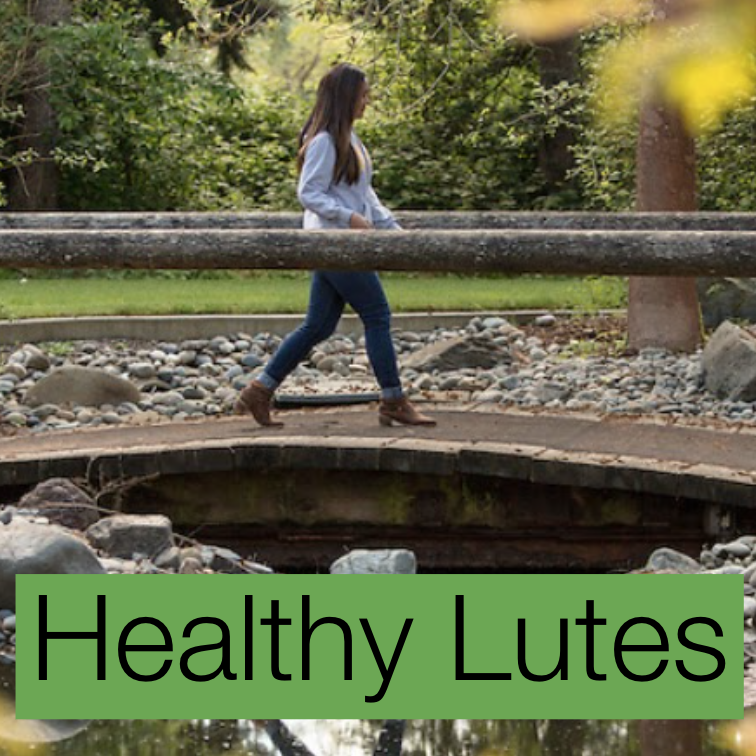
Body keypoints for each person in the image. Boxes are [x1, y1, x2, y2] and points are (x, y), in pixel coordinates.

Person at [235, 62, 435, 429]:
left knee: (318, 325)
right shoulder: (325, 141)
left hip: (341, 243)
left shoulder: (351, 140)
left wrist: (394, 231)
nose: (367, 101)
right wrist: (348, 219)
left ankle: (260, 390)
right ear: (346, 98)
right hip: (334, 244)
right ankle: (393, 399)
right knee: (376, 315)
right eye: (363, 95)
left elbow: (365, 195)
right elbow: (308, 192)